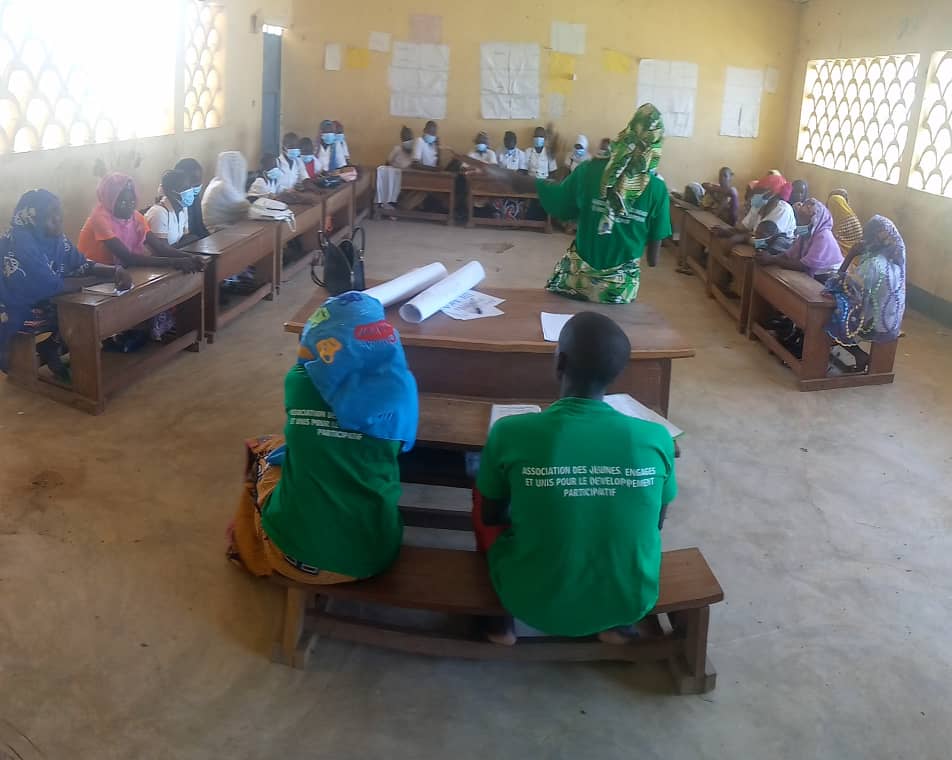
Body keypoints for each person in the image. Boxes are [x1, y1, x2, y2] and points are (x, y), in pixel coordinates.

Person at [473, 311, 677, 645]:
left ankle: (499, 622)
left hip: (530, 601)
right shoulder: (656, 438)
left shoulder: (510, 432)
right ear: (617, 373)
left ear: (560, 363)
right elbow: (656, 522)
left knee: (480, 491)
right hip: (632, 599)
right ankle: (616, 625)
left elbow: (491, 516)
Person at [227, 291, 419, 585]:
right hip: (374, 555)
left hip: (292, 556)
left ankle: (244, 541)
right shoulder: (401, 392)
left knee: (266, 452)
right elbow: (399, 447)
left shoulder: (298, 383)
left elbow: (309, 363)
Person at [471, 104, 670, 303]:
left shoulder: (589, 170)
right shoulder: (658, 190)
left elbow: (560, 204)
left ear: (627, 132)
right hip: (620, 293)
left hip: (577, 285)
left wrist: (502, 174)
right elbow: (653, 259)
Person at [0, 189, 132, 377]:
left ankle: (50, 347)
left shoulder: (56, 240)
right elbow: (51, 286)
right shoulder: (20, 244)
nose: (58, 218)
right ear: (33, 219)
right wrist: (100, 278)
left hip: (41, 298)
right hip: (13, 307)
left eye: (58, 211)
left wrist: (114, 270)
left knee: (84, 308)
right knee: (79, 315)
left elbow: (82, 264)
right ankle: (31, 353)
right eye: (49, 214)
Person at [79, 173, 203, 272]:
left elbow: (160, 247)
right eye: (123, 202)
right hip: (96, 274)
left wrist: (189, 257)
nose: (129, 207)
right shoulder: (99, 219)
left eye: (132, 201)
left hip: (122, 271)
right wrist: (174, 262)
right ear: (110, 200)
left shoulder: (136, 217)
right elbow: (127, 257)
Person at [825, 215, 905, 351]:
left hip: (873, 324)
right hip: (891, 321)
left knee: (830, 311)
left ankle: (856, 355)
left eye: (865, 236)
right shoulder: (895, 264)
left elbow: (839, 286)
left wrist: (850, 255)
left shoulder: (873, 264)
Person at [755, 198, 843, 280]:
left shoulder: (823, 236)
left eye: (804, 219)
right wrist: (770, 257)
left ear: (814, 221)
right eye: (800, 218)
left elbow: (804, 266)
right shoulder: (805, 235)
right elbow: (788, 254)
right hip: (816, 273)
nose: (800, 222)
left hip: (828, 277)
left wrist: (772, 259)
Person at [202, 151, 252, 229]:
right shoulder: (221, 188)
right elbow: (243, 207)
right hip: (215, 233)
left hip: (225, 229)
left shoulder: (220, 183)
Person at [145, 169, 192, 247]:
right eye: (184, 188)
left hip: (175, 254)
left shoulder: (183, 209)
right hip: (160, 257)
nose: (189, 191)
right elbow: (162, 250)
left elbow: (185, 238)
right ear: (172, 192)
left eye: (189, 187)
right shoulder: (158, 213)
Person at [376, 126, 415, 211]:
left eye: (409, 138)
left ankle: (401, 206)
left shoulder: (415, 151)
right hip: (395, 174)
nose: (407, 141)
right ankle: (387, 204)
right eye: (405, 139)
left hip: (409, 176)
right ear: (402, 139)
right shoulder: (397, 149)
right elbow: (388, 161)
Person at [174, 158, 209, 240]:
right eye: (193, 180)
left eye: (199, 180)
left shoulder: (194, 198)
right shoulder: (175, 203)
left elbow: (199, 227)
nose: (197, 184)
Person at [827, 189, 863, 257]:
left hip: (849, 259)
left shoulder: (844, 222)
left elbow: (830, 241)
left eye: (831, 206)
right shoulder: (850, 216)